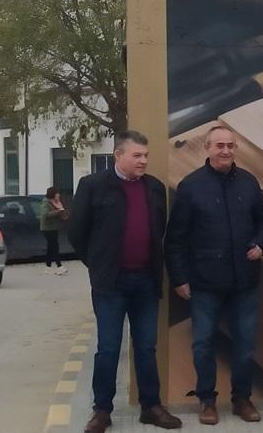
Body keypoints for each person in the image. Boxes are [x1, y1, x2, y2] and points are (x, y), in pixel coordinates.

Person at [67, 130, 182, 433]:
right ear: (119, 156)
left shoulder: (155, 188)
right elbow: (77, 234)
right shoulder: (93, 186)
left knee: (146, 347)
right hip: (110, 284)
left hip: (145, 281)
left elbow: (161, 232)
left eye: (146, 155)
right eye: (137, 155)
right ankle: (102, 411)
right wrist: (98, 266)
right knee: (108, 347)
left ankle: (151, 407)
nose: (143, 160)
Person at [165, 125, 263, 426]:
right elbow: (175, 239)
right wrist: (179, 279)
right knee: (203, 344)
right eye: (219, 145)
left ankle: (242, 399)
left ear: (235, 148)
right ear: (207, 148)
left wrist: (262, 244)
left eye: (230, 145)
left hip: (244, 281)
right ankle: (207, 401)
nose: (225, 151)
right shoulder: (191, 186)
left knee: (245, 344)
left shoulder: (249, 183)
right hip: (204, 283)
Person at [40, 187, 69, 275]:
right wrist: (58, 212)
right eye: (57, 194)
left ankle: (48, 267)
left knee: (50, 247)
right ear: (53, 194)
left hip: (54, 228)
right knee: (54, 246)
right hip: (47, 228)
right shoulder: (46, 203)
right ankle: (59, 266)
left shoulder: (57, 203)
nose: (59, 195)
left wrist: (64, 214)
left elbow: (61, 213)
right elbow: (45, 215)